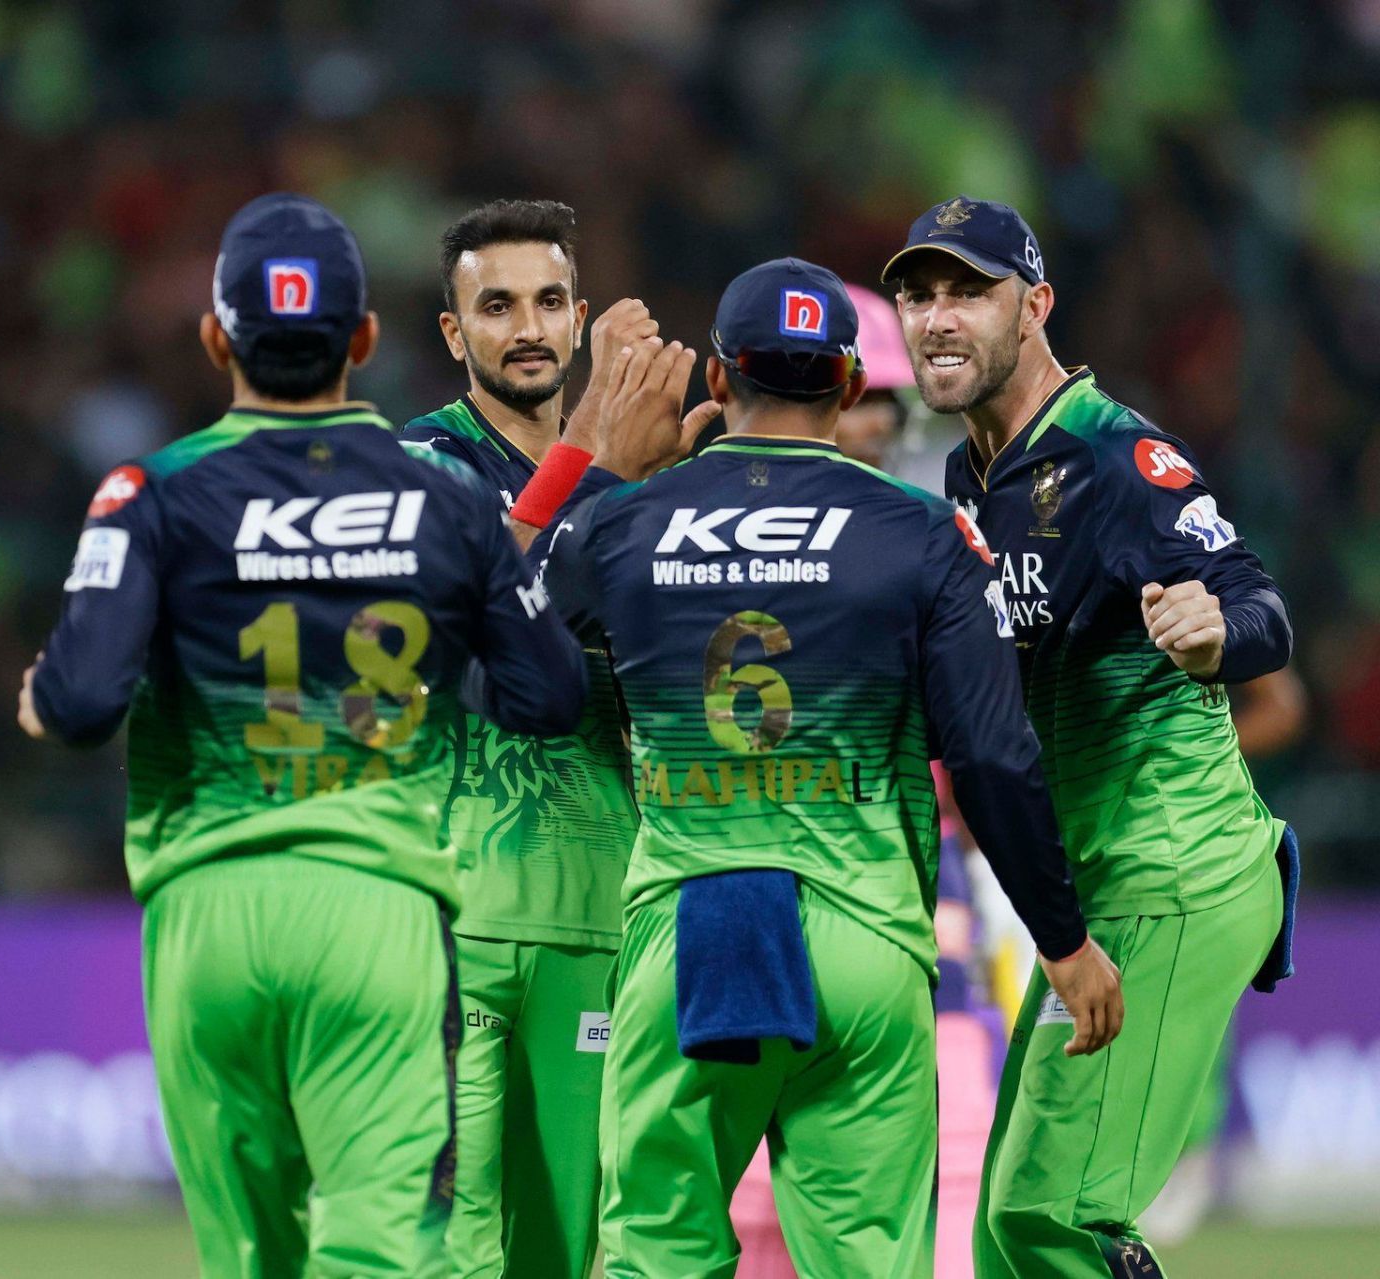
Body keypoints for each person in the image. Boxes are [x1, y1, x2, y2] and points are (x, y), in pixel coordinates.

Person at [512, 258, 1120, 1278]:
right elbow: (992, 755)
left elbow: (514, 658)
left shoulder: (626, 527)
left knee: (657, 1252)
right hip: (865, 941)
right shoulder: (925, 535)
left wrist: (610, 469)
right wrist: (1063, 941)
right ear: (847, 385)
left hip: (688, 932)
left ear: (715, 380)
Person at [18, 193, 588, 1279]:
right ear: (365, 340)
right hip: (377, 911)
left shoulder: (151, 492)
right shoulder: (448, 498)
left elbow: (84, 700)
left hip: (206, 915)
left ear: (216, 338)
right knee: (384, 1252)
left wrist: (42, 695)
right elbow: (548, 695)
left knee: (251, 1259)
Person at [885, 195, 1299, 1276]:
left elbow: (1260, 606)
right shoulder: (967, 478)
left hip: (1174, 871)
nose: (937, 317)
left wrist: (1217, 634)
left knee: (1047, 1217)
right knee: (1003, 1228)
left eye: (968, 291)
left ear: (1036, 305)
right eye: (919, 293)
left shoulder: (1116, 456)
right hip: (1105, 883)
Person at [398, 199, 674, 1278]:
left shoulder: (642, 469)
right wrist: (596, 462)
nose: (527, 326)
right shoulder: (416, 461)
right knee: (448, 1251)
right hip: (446, 918)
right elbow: (469, 603)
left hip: (597, 913)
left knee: (576, 1250)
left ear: (581, 317)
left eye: (550, 301)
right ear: (452, 333)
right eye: (496, 304)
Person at [729, 283, 1002, 1279]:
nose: (877, 420)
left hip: (920, 965)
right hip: (761, 950)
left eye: (890, 401)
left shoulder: (932, 542)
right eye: (865, 393)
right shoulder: (921, 549)